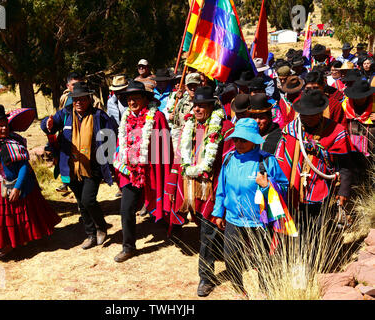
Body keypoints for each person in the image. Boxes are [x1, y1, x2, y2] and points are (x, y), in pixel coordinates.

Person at [164, 86, 234, 297]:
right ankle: (220, 257)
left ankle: (206, 277)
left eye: (202, 105)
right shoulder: (188, 126)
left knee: (207, 231)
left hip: (213, 189)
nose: (197, 109)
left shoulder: (225, 128)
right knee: (205, 228)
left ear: (212, 106)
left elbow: (228, 160)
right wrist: (172, 185)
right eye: (195, 105)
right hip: (190, 187)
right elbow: (179, 157)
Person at [0, 104, 61, 259]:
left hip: (14, 184)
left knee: (19, 216)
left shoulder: (15, 142)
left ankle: (16, 243)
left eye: (5, 125)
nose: (4, 128)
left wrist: (18, 187)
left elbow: (24, 166)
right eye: (0, 126)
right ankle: (3, 244)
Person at [211, 118, 289, 295]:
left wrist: (268, 185)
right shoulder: (229, 159)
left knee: (263, 260)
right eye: (236, 139)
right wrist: (218, 212)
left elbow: (284, 188)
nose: (238, 143)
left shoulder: (267, 161)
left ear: (254, 140)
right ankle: (240, 292)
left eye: (243, 140)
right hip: (233, 219)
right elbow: (221, 188)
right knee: (230, 259)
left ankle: (265, 291)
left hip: (259, 222)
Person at [41, 83, 117, 250]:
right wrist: (47, 123)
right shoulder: (66, 114)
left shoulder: (99, 116)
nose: (79, 102)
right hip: (70, 167)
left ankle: (101, 227)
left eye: (82, 99)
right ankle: (90, 234)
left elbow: (112, 136)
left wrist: (109, 158)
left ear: (89, 99)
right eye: (76, 99)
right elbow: (49, 125)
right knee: (81, 204)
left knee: (88, 200)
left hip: (93, 167)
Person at [274, 90, 352, 232]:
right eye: (304, 115)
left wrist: (343, 190)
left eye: (311, 115)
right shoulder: (290, 131)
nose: (307, 118)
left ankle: (320, 252)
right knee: (297, 229)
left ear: (321, 112)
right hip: (293, 191)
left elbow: (345, 164)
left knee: (320, 229)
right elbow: (280, 161)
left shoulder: (336, 132)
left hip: (324, 190)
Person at [113, 80, 172, 262]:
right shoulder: (125, 118)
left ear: (145, 99)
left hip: (152, 169)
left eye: (136, 98)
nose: (132, 102)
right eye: (129, 99)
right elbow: (120, 144)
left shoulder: (157, 117)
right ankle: (128, 246)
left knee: (160, 201)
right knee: (126, 209)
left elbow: (165, 146)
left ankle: (172, 228)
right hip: (130, 171)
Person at [342, 79, 375, 185]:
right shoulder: (345, 105)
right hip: (351, 147)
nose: (358, 100)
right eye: (356, 98)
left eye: (362, 97)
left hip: (371, 147)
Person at [168, 72, 200, 150]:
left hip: (200, 142)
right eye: (190, 86)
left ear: (200, 85)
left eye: (195, 85)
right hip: (184, 144)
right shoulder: (181, 103)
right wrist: (176, 148)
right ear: (185, 87)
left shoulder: (209, 102)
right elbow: (176, 127)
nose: (193, 89)